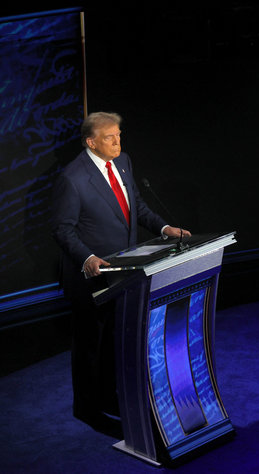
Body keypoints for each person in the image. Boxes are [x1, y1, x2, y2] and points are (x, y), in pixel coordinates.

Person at [51, 112, 190, 438]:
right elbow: (62, 229)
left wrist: (164, 228)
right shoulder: (72, 179)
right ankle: (87, 408)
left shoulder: (123, 161)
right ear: (91, 142)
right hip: (92, 277)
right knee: (90, 344)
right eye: (110, 137)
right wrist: (87, 257)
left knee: (115, 338)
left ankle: (109, 397)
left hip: (125, 272)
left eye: (119, 135)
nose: (118, 141)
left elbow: (136, 205)